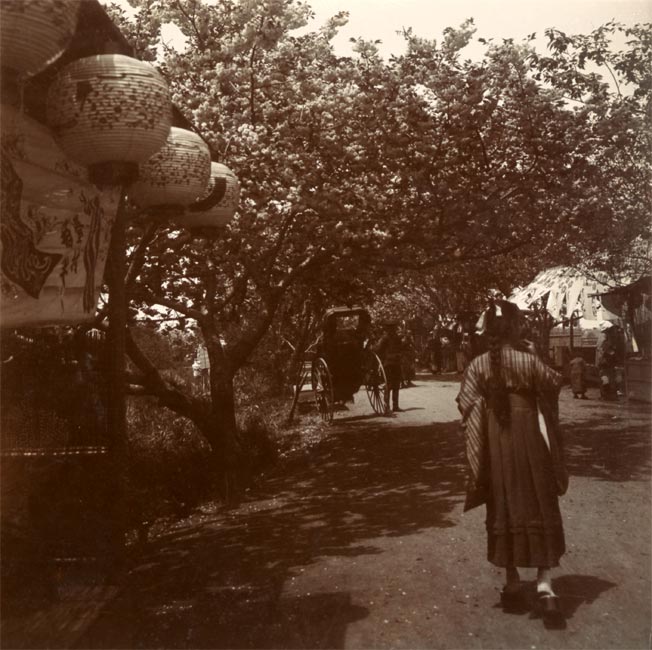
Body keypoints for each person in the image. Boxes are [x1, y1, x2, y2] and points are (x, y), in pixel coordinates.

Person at [456, 300, 567, 623]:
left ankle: (513, 582)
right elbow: (553, 383)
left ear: (490, 331)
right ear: (515, 327)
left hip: (496, 439)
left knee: (502, 502)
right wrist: (536, 355)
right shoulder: (528, 360)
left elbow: (465, 402)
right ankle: (545, 586)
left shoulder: (478, 364)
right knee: (539, 499)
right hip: (530, 435)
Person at [376, 322, 404, 412]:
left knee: (394, 385)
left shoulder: (390, 338)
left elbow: (378, 350)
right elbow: (378, 350)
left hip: (392, 363)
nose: (392, 330)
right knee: (391, 384)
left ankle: (392, 406)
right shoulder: (386, 338)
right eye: (391, 328)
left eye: (393, 328)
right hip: (390, 364)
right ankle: (389, 406)